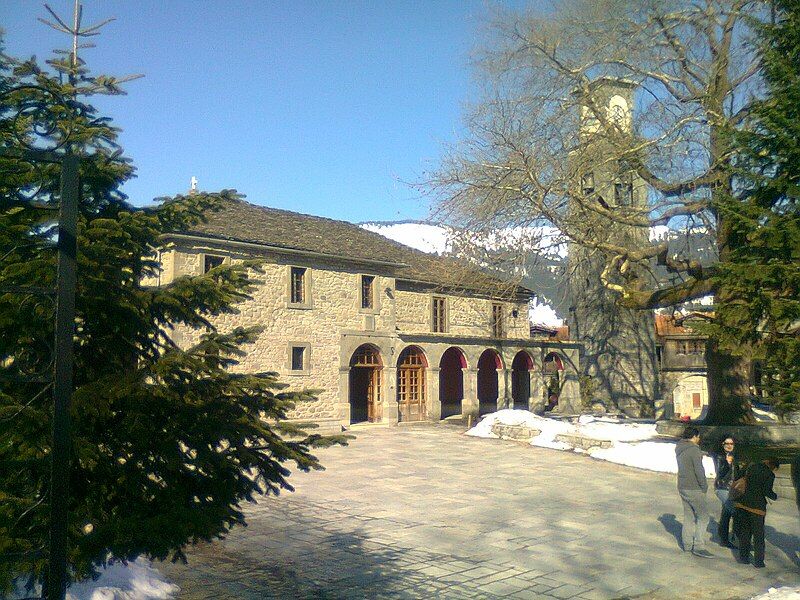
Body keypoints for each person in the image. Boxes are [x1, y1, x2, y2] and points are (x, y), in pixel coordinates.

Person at [733, 459, 779, 568]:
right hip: (757, 507)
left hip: (743, 503)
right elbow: (766, 491)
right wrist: (775, 496)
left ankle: (743, 558)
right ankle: (759, 562)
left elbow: (737, 477)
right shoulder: (769, 474)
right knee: (758, 535)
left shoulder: (750, 466)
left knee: (745, 531)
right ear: (773, 466)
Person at [676, 426, 713, 558]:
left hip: (682, 485)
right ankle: (698, 546)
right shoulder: (694, 450)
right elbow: (699, 470)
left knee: (688, 516)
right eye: (698, 437)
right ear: (694, 437)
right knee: (703, 517)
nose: (699, 439)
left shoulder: (680, 447)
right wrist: (704, 486)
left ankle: (687, 544)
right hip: (694, 487)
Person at [712, 435, 739, 548]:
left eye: (731, 444)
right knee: (736, 512)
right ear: (722, 444)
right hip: (722, 487)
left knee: (726, 513)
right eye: (726, 443)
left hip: (733, 489)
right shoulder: (719, 457)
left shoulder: (735, 456)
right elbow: (720, 473)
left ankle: (724, 539)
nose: (729, 446)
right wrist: (727, 463)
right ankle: (738, 539)